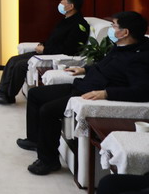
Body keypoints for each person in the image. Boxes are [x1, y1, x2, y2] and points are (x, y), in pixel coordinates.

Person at [18, 11, 149, 175]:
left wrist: (106, 93)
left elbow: (142, 91)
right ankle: (34, 140)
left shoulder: (139, 58)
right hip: (82, 85)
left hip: (89, 95)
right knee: (36, 94)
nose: (111, 29)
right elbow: (104, 65)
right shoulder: (121, 46)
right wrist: (84, 69)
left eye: (114, 26)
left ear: (125, 32)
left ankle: (48, 161)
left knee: (48, 110)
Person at [0, 0, 90, 104]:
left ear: (71, 6)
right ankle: (1, 92)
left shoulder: (79, 25)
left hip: (53, 56)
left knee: (20, 65)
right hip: (46, 52)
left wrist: (45, 49)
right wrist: (42, 44)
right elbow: (54, 39)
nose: (60, 4)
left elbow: (69, 50)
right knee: (13, 60)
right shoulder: (66, 20)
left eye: (62, 2)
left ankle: (8, 96)